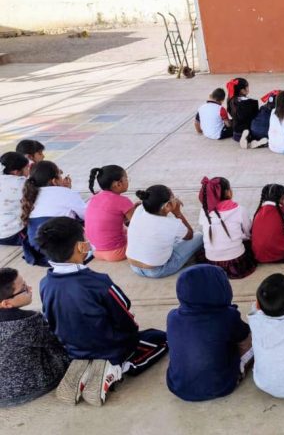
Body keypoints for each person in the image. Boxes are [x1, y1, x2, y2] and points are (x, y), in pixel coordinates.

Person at [38, 217, 168, 405]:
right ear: (81, 247)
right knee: (161, 339)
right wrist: (132, 334)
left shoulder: (45, 283)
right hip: (110, 346)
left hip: (72, 347)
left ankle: (85, 364)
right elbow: (124, 311)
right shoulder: (98, 282)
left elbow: (50, 318)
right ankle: (119, 367)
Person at [166, 265, 252, 402]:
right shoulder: (227, 317)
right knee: (251, 339)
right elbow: (244, 334)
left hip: (178, 386)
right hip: (221, 386)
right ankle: (239, 369)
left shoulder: (172, 316)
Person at [0, 267, 69, 407]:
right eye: (24, 288)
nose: (30, 288)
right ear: (6, 303)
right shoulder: (27, 322)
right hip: (30, 386)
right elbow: (57, 339)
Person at [127, 185, 203, 278]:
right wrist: (178, 213)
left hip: (134, 267)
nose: (176, 199)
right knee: (199, 236)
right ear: (167, 206)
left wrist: (171, 204)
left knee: (167, 236)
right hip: (158, 270)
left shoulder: (139, 209)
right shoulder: (172, 223)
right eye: (173, 197)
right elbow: (189, 235)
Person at [20, 161, 86, 267]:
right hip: (62, 248)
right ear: (54, 181)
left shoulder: (30, 194)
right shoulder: (67, 193)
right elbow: (86, 215)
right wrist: (68, 191)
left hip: (39, 248)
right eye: (60, 175)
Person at [198, 177, 256, 279]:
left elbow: (203, 227)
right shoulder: (240, 210)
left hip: (212, 260)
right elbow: (248, 232)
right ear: (228, 192)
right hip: (235, 262)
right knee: (249, 244)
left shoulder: (204, 210)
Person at [86, 165, 136, 262]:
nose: (128, 181)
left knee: (123, 230)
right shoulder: (123, 201)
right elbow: (138, 226)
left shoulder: (94, 197)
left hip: (95, 251)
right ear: (118, 184)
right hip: (117, 252)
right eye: (126, 179)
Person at [251, 184, 284, 264]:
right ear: (282, 197)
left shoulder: (258, 212)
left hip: (259, 256)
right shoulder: (283, 211)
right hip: (279, 255)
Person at [0, 152, 29, 246]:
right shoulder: (22, 183)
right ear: (16, 172)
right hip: (12, 234)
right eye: (26, 168)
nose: (28, 170)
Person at [226, 77, 260, 146]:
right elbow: (255, 117)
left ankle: (243, 138)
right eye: (247, 87)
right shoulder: (252, 102)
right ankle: (248, 138)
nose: (248, 88)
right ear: (242, 90)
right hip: (249, 132)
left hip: (235, 133)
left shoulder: (230, 100)